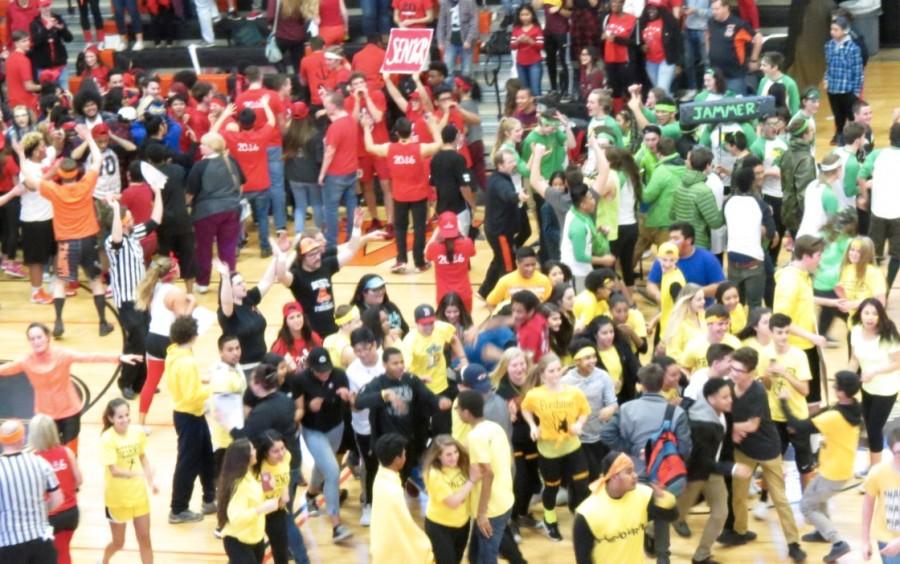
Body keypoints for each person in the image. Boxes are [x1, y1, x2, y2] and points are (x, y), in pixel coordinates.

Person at [21, 124, 111, 338]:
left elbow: (31, 180)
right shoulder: (86, 184)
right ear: (77, 172)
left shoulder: (54, 190)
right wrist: (89, 137)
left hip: (65, 244)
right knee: (95, 280)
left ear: (60, 173)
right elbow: (98, 160)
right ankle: (102, 323)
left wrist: (21, 156)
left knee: (60, 282)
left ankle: (59, 322)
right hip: (89, 241)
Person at [0, 323, 141, 454]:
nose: (36, 341)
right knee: (47, 453)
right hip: (45, 417)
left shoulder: (62, 355)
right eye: (32, 339)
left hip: (69, 412)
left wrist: (119, 357)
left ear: (48, 337)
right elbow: (4, 370)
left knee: (70, 454)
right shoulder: (26, 361)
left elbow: (89, 357)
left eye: (39, 337)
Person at [599, 363, 692, 562]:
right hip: (664, 475)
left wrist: (630, 449)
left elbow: (606, 434)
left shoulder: (626, 408)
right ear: (662, 384)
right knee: (661, 515)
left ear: (641, 385)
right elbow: (685, 448)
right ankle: (663, 557)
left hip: (633, 473)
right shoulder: (676, 412)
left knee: (628, 517)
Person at [722, 347, 806, 562]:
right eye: (732, 368)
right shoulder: (730, 387)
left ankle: (793, 543)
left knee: (779, 498)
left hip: (768, 450)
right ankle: (740, 531)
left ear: (750, 372)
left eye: (738, 370)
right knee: (738, 495)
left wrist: (730, 429)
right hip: (744, 450)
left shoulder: (757, 391)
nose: (733, 373)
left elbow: (752, 425)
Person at [780, 371, 861, 562]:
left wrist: (784, 402)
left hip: (833, 473)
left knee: (806, 506)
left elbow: (799, 426)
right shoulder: (854, 407)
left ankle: (838, 542)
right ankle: (821, 532)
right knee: (819, 499)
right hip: (838, 467)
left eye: (836, 386)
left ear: (841, 392)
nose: (833, 388)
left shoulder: (834, 416)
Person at [677, 377, 751, 564]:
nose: (730, 400)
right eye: (725, 397)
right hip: (696, 473)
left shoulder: (721, 413)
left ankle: (701, 555)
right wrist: (732, 468)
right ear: (711, 399)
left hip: (713, 470)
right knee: (678, 513)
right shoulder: (703, 425)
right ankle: (652, 531)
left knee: (720, 513)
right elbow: (701, 461)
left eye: (730, 396)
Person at [521, 354, 591, 540]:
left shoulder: (574, 393)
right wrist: (533, 426)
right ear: (543, 375)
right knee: (551, 488)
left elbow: (584, 411)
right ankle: (549, 519)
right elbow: (525, 408)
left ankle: (584, 518)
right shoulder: (535, 395)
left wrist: (579, 425)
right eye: (551, 371)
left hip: (572, 448)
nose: (556, 374)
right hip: (549, 452)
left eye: (558, 369)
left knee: (582, 484)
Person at [105, 175, 164, 399]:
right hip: (127, 301)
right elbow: (117, 235)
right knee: (137, 339)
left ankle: (141, 382)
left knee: (145, 339)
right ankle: (126, 382)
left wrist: (157, 191)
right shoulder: (112, 242)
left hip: (142, 298)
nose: (131, 218)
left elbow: (155, 219)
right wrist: (115, 210)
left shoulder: (135, 234)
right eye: (127, 217)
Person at [355, 348, 453, 480]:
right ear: (385, 365)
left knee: (407, 477)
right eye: (395, 363)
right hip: (388, 444)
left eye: (402, 362)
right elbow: (359, 402)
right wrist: (385, 395)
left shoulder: (411, 379)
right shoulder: (378, 383)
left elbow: (428, 396)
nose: (400, 366)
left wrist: (439, 401)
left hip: (410, 442)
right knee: (389, 480)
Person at [363, 114, 441, 273]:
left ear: (397, 133)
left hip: (399, 197)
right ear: (411, 132)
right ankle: (420, 262)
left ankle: (401, 261)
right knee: (419, 229)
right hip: (419, 196)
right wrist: (433, 124)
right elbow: (439, 144)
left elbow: (369, 147)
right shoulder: (420, 148)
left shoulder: (389, 148)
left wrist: (365, 127)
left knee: (400, 229)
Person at [573, 450, 678, 563]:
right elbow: (583, 560)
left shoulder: (643, 495)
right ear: (614, 476)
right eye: (629, 472)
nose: (635, 476)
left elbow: (671, 516)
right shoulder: (587, 513)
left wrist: (663, 499)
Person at [165, 315, 217, 525]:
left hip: (189, 414)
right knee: (187, 464)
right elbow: (191, 395)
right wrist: (214, 387)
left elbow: (184, 382)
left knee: (206, 456)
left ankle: (209, 498)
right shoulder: (186, 362)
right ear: (194, 335)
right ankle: (178, 509)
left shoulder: (175, 353)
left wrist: (200, 379)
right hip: (189, 415)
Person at [135, 256, 196, 430]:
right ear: (174, 271)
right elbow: (182, 322)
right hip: (171, 341)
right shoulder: (176, 293)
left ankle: (140, 423)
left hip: (153, 338)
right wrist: (192, 304)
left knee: (151, 382)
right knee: (187, 375)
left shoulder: (154, 288)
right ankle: (193, 407)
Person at [456, 390, 515, 563]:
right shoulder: (494, 427)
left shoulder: (476, 436)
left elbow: (487, 473)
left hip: (491, 509)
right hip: (505, 499)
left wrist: (482, 513)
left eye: (458, 409)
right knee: (475, 555)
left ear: (466, 413)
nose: (457, 413)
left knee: (486, 557)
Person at [773, 234, 828, 409]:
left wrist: (832, 302)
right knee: (807, 401)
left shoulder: (802, 275)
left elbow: (804, 299)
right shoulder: (790, 281)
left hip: (807, 344)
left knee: (813, 399)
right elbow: (781, 320)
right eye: (818, 256)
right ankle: (806, 435)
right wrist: (811, 337)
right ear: (806, 256)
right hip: (798, 347)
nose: (820, 261)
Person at [100, 399, 157, 564]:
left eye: (127, 415)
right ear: (111, 419)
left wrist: (151, 481)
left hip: (138, 496)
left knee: (145, 540)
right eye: (120, 417)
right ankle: (104, 560)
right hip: (117, 499)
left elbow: (142, 456)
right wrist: (140, 474)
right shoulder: (107, 439)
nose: (125, 420)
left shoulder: (136, 433)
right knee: (119, 543)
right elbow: (114, 471)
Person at [0, 419, 63, 562]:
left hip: (9, 544)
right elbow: (58, 499)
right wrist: (39, 513)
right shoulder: (40, 462)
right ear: (22, 438)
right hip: (41, 540)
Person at [849, 298, 900, 472]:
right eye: (866, 313)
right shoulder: (855, 330)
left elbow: (897, 363)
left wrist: (874, 372)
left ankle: (875, 470)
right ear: (860, 314)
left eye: (874, 313)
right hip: (867, 387)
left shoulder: (888, 335)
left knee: (874, 428)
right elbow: (855, 359)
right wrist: (847, 378)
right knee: (870, 427)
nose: (870, 317)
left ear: (880, 315)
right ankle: (873, 463)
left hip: (886, 389)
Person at [402, 304, 467, 434]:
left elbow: (453, 339)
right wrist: (419, 378)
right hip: (421, 391)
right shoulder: (410, 342)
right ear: (416, 324)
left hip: (442, 386)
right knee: (421, 429)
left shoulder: (441, 328)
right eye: (424, 324)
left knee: (443, 428)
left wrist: (463, 358)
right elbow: (403, 371)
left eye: (431, 323)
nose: (429, 327)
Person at [371, 433, 434, 562]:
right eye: (404, 454)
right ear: (397, 459)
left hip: (380, 546)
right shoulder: (392, 492)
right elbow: (406, 527)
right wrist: (423, 543)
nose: (405, 457)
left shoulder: (381, 472)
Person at [561, 341, 619, 479]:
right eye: (587, 358)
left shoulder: (603, 376)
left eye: (594, 356)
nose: (592, 361)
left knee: (601, 474)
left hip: (600, 435)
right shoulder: (566, 381)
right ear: (577, 361)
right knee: (582, 477)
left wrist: (609, 409)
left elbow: (613, 403)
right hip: (577, 438)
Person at [346, 327, 385, 526]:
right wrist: (353, 402)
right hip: (364, 426)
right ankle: (368, 503)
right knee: (369, 466)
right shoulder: (352, 371)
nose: (362, 354)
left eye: (366, 349)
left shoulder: (388, 361)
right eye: (357, 350)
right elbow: (353, 404)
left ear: (375, 345)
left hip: (388, 423)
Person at [29, 414, 81, 564]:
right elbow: (79, 481)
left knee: (55, 557)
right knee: (64, 552)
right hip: (71, 513)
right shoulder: (67, 452)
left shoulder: (35, 459)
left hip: (51, 516)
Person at [478, 149, 530, 298]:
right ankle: (511, 298)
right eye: (510, 162)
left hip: (498, 230)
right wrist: (518, 196)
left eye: (514, 160)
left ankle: (483, 291)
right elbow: (508, 195)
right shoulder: (500, 182)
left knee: (499, 259)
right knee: (508, 265)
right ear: (500, 165)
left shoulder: (499, 178)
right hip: (500, 232)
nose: (514, 164)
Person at [217, 439, 279, 563]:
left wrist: (268, 490)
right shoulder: (239, 485)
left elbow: (254, 500)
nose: (255, 451)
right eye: (252, 449)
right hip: (239, 541)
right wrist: (261, 509)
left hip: (255, 537)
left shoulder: (248, 475)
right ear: (245, 456)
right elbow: (236, 517)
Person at [254, 431, 311, 564]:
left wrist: (285, 494)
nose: (281, 453)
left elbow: (284, 475)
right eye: (275, 451)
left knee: (281, 551)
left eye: (282, 448)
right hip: (259, 513)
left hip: (277, 509)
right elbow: (265, 498)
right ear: (265, 453)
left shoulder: (287, 457)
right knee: (256, 553)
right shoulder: (262, 470)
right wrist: (279, 500)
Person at [859, 121, 900, 296]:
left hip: (877, 212)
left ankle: (871, 289)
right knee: (897, 255)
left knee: (873, 254)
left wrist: (866, 198)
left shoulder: (877, 154)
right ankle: (887, 288)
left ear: (890, 138)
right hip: (898, 214)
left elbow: (861, 177)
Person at [215, 256, 275, 374]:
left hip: (262, 363)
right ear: (229, 289)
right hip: (243, 369)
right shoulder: (227, 312)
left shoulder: (248, 299)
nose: (244, 285)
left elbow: (267, 281)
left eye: (243, 281)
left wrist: (277, 256)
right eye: (238, 284)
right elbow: (226, 302)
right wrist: (225, 278)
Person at [422, 435, 475, 564]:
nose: (454, 457)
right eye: (449, 454)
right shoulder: (434, 474)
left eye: (456, 452)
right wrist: (472, 481)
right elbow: (453, 502)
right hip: (440, 528)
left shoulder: (461, 464)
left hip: (462, 524)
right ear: (438, 456)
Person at [319, 91, 359, 247]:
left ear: (333, 106)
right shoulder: (351, 120)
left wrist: (322, 174)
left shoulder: (334, 128)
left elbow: (329, 153)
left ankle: (331, 242)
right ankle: (351, 238)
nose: (324, 106)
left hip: (335, 173)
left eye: (326, 104)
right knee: (351, 206)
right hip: (351, 171)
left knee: (330, 209)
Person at [646, 222, 724, 303]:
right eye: (670, 238)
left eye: (676, 239)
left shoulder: (707, 258)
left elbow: (720, 286)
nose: (671, 242)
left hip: (701, 309)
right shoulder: (665, 257)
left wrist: (691, 294)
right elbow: (651, 284)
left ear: (688, 240)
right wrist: (658, 296)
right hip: (671, 310)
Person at [671, 147, 723, 250]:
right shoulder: (704, 191)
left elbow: (672, 214)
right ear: (707, 165)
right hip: (698, 243)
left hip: (680, 240)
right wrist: (726, 208)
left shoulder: (680, 184)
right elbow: (715, 223)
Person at [707, 0, 763, 95]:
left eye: (717, 9)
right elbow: (708, 37)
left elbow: (758, 38)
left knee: (736, 103)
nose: (714, 12)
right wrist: (709, 53)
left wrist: (754, 60)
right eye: (712, 9)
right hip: (716, 74)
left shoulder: (739, 24)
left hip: (735, 75)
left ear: (726, 8)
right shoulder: (711, 22)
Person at [862, 425, 900, 562]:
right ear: (891, 451)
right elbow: (867, 507)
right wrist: (865, 541)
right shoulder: (878, 473)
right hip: (887, 539)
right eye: (899, 452)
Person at [426, 211, 477, 312]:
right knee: (466, 326)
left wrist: (435, 237)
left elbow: (427, 256)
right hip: (464, 295)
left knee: (446, 327)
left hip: (443, 298)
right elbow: (472, 252)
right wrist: (461, 233)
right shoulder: (467, 243)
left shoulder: (434, 248)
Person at [824, 15, 864, 144]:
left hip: (847, 89)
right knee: (838, 115)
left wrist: (856, 91)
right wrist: (826, 79)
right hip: (833, 88)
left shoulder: (853, 48)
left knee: (851, 115)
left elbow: (858, 71)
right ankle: (839, 134)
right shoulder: (828, 46)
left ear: (845, 31)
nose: (833, 32)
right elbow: (828, 65)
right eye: (832, 29)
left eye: (836, 29)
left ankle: (854, 136)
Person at [486, 246, 554, 309]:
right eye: (527, 265)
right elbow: (491, 303)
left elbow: (550, 303)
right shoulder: (505, 281)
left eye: (533, 265)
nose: (531, 269)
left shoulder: (544, 280)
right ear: (517, 263)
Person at [270, 301, 323, 371]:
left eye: (299, 316)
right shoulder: (279, 346)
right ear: (286, 322)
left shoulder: (313, 336)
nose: (296, 320)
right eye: (291, 318)